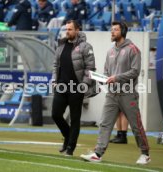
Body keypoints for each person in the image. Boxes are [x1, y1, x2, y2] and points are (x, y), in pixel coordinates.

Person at [80, 21, 151, 165]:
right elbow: (107, 71)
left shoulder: (133, 49)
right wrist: (103, 79)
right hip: (112, 94)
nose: (112, 32)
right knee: (105, 124)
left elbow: (135, 71)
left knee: (136, 125)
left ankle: (145, 154)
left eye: (115, 30)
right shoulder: (110, 51)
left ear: (122, 32)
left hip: (128, 94)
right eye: (111, 30)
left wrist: (116, 78)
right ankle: (98, 153)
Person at [51, 20, 95, 156]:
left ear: (77, 30)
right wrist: (54, 80)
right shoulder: (61, 45)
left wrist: (85, 84)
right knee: (56, 114)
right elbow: (55, 65)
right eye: (66, 29)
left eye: (70, 29)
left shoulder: (86, 46)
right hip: (61, 87)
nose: (67, 31)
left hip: (77, 88)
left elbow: (90, 68)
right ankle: (68, 137)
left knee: (75, 119)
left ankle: (70, 147)